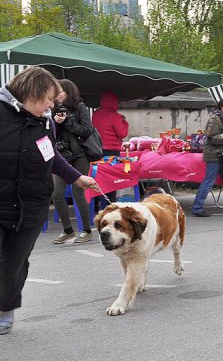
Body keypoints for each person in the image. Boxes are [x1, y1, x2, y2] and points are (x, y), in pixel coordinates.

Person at [0, 66, 98, 335]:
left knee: (15, 264)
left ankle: (4, 312)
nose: (51, 105)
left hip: (32, 204)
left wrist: (78, 178)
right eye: (48, 99)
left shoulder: (46, 121)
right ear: (32, 92)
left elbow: (51, 155)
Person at [51, 79, 95, 244]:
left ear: (68, 92)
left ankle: (86, 230)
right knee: (57, 194)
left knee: (78, 193)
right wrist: (56, 122)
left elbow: (86, 130)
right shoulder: (55, 109)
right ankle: (68, 231)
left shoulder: (80, 107)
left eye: (60, 91)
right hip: (63, 156)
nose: (57, 95)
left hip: (80, 156)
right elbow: (54, 134)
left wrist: (67, 121)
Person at [91, 91, 128, 203]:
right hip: (112, 151)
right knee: (110, 179)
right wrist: (125, 123)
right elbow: (122, 134)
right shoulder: (116, 117)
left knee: (99, 177)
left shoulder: (95, 115)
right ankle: (110, 203)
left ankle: (96, 201)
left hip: (96, 149)